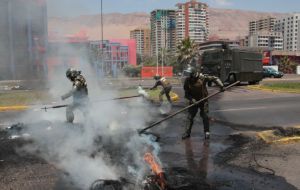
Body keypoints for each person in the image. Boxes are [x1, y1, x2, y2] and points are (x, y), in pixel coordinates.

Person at [182, 66, 224, 140]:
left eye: (190, 75)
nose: (189, 77)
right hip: (193, 102)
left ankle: (207, 132)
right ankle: (187, 133)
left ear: (194, 74)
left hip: (203, 100)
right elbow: (186, 94)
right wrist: (192, 100)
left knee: (205, 116)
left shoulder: (202, 77)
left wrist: (221, 86)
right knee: (190, 117)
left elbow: (215, 78)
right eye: (188, 76)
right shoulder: (187, 81)